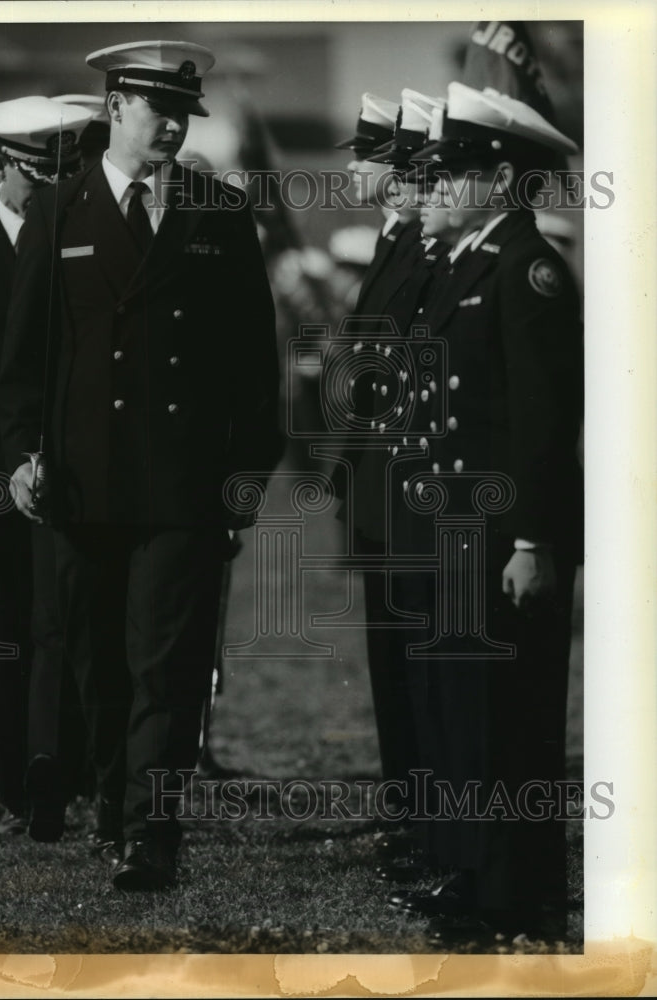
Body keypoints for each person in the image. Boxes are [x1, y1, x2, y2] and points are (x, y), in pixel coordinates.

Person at [0, 40, 281, 892]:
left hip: (181, 488)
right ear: (117, 105)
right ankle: (116, 810)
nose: (171, 129)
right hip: (85, 485)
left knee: (168, 662)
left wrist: (242, 483)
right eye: (158, 111)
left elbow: (252, 367)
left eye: (183, 115)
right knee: (99, 660)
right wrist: (21, 457)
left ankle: (154, 829)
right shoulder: (59, 211)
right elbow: (24, 361)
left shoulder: (218, 211)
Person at [385, 82, 583, 944]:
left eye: (459, 170)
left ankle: (512, 887)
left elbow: (541, 422)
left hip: (503, 533)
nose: (442, 185)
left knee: (505, 713)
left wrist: (535, 538)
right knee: (460, 708)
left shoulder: (526, 268)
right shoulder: (466, 263)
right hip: (450, 527)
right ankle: (469, 870)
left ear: (501, 177)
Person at [331, 89, 450, 883]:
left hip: (406, 490)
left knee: (415, 664)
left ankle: (423, 815)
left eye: (369, 155)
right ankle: (408, 805)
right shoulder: (391, 243)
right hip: (376, 487)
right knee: (392, 662)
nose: (353, 168)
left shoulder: (422, 251)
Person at [0, 96, 93, 837]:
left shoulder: (81, 238)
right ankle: (17, 781)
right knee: (6, 625)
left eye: (60, 172)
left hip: (69, 465)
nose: (46, 187)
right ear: (0, 165)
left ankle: (60, 778)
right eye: (32, 173)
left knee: (67, 622)